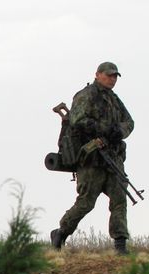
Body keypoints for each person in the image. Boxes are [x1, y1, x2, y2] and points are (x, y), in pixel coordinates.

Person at [51, 61, 134, 254]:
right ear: (98, 74)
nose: (112, 79)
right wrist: (104, 129)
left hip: (112, 158)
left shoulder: (114, 99)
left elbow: (129, 122)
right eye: (109, 75)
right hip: (91, 160)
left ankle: (120, 245)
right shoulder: (86, 95)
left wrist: (118, 132)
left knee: (119, 198)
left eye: (115, 76)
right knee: (86, 202)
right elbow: (77, 120)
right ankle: (61, 233)